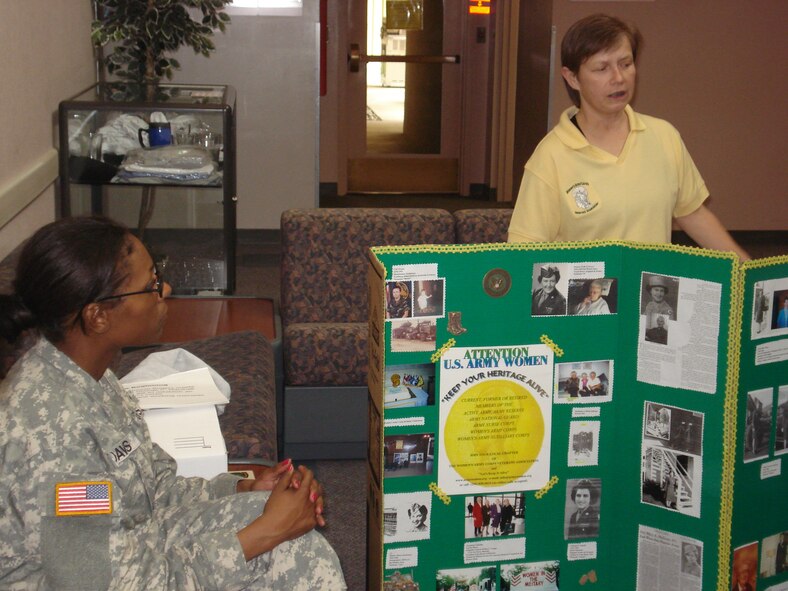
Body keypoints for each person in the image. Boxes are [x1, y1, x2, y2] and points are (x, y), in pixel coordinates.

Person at [0, 216, 346, 590]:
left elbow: (152, 489)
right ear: (97, 316)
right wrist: (263, 534)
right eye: (149, 285)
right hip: (101, 580)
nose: (164, 288)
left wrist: (242, 489)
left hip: (129, 543)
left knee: (293, 540)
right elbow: (111, 583)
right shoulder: (52, 436)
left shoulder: (90, 376)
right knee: (279, 540)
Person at [507, 13, 749, 261]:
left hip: (652, 294)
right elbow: (525, 251)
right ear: (572, 78)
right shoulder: (550, 156)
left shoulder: (664, 136)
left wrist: (746, 270)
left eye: (625, 64)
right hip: (586, 297)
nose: (618, 78)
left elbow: (693, 214)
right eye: (602, 68)